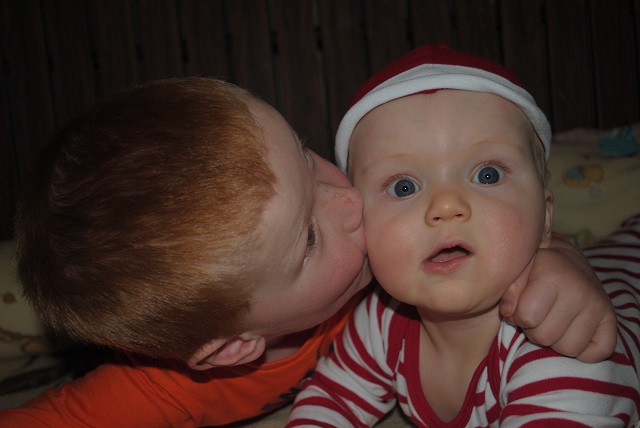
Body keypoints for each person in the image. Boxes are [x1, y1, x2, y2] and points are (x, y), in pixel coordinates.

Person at [0, 76, 617, 427]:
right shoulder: (158, 389)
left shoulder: (384, 269)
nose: (350, 201)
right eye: (311, 238)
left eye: (306, 155)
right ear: (233, 346)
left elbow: (492, 225)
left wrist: (557, 254)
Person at [287, 45, 640, 427]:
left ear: (545, 218)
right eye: (404, 187)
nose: (446, 205)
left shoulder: (558, 346)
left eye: (488, 175)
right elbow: (334, 397)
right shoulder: (383, 318)